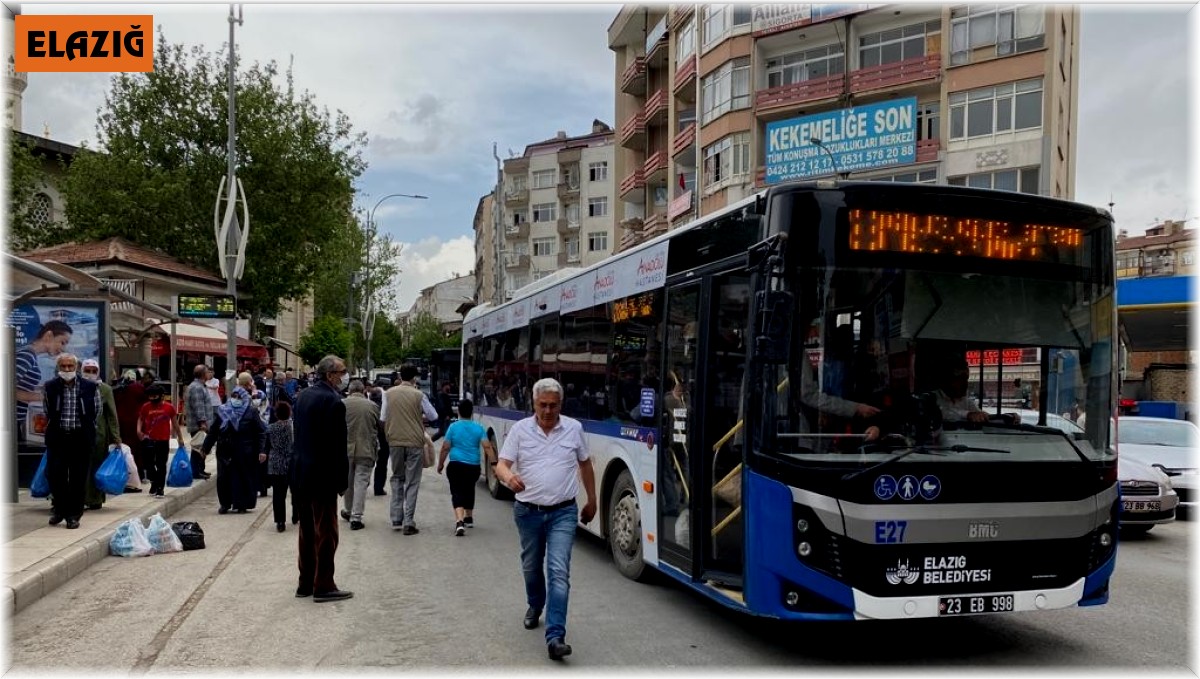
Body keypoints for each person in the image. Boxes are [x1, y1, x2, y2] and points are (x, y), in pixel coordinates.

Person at [494, 377, 598, 662]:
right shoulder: (520, 430)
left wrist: (592, 499)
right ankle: (534, 604)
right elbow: (501, 465)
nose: (548, 411)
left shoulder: (574, 429)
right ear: (534, 403)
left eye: (554, 405)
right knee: (531, 566)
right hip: (528, 512)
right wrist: (509, 477)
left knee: (559, 572)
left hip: (563, 512)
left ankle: (555, 636)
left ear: (561, 404)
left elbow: (585, 463)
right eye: (543, 405)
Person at [291, 355, 352, 602]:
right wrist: (341, 479)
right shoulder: (333, 401)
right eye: (342, 371)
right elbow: (337, 447)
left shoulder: (303, 396)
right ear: (330, 375)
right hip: (322, 474)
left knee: (306, 530)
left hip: (301, 472)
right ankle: (324, 584)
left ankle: (305, 582)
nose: (344, 376)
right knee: (326, 531)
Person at [43, 353, 100, 529]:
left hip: (81, 438)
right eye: (63, 366)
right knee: (56, 476)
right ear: (58, 368)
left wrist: (86, 430)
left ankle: (74, 515)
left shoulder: (90, 387)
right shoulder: (50, 386)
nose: (67, 370)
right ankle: (59, 510)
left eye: (70, 366)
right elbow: (47, 411)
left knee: (78, 478)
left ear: (76, 368)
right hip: (59, 437)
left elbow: (96, 411)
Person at [380, 365, 438, 534]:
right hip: (414, 442)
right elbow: (433, 416)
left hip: (395, 441)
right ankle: (409, 521)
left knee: (397, 478)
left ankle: (396, 518)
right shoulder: (419, 395)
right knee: (412, 481)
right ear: (414, 378)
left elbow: (383, 417)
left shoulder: (388, 394)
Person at [436, 399, 495, 536]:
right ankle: (469, 517)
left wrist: (440, 464)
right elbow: (487, 446)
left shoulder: (453, 427)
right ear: (472, 412)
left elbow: (445, 447)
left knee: (457, 491)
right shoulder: (478, 428)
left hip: (456, 465)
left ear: (459, 412)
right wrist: (494, 464)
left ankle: (459, 522)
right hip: (473, 467)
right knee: (469, 489)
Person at [16, 320, 73, 443]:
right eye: (62, 342)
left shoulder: (29, 355)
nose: (63, 349)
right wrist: (45, 397)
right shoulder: (27, 356)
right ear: (48, 336)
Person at [214, 386, 265, 514]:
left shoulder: (251, 411)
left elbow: (260, 432)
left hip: (245, 450)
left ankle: (242, 504)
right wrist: (204, 448)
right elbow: (214, 431)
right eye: (234, 396)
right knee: (223, 479)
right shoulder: (223, 411)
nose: (236, 399)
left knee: (242, 478)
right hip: (225, 451)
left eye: (239, 397)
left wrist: (261, 450)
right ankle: (225, 504)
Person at [81, 359, 121, 510]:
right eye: (87, 370)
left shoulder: (105, 389)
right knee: (80, 468)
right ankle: (79, 497)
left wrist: (116, 437)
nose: (90, 374)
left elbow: (111, 415)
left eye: (93, 371)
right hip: (79, 434)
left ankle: (95, 499)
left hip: (99, 435)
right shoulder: (76, 386)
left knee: (97, 467)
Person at [341, 379, 380, 531]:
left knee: (348, 482)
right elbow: (379, 425)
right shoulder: (372, 406)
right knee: (361, 483)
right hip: (366, 449)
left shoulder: (341, 404)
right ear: (364, 390)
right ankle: (356, 517)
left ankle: (349, 510)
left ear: (349, 391)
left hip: (345, 449)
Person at [136, 383, 184, 499]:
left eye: (155, 396)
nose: (153, 398)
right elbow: (140, 419)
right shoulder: (146, 407)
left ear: (161, 396)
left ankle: (160, 488)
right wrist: (138, 431)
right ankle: (154, 481)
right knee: (149, 464)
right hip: (149, 439)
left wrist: (180, 438)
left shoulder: (169, 407)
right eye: (150, 396)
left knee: (161, 464)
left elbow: (175, 423)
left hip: (163, 440)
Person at [114, 368, 152, 483]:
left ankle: (122, 472)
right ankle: (137, 475)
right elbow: (146, 403)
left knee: (122, 448)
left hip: (120, 423)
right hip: (135, 423)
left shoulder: (117, 389)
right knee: (137, 450)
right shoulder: (138, 388)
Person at [264, 401, 296, 532]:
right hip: (291, 462)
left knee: (278, 494)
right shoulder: (293, 427)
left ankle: (280, 521)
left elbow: (266, 446)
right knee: (295, 491)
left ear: (276, 414)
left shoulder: (270, 428)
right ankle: (296, 514)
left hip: (276, 463)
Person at [184, 364, 213, 481]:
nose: (209, 374)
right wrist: (202, 422)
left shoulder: (201, 386)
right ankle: (196, 471)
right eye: (207, 372)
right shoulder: (197, 387)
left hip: (201, 423)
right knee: (197, 449)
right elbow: (198, 406)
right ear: (202, 374)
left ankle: (200, 469)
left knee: (202, 447)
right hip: (198, 424)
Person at [368, 382, 389, 496]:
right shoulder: (385, 406)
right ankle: (378, 487)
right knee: (381, 463)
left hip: (370, 437)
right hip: (383, 437)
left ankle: (365, 482)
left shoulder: (368, 405)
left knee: (368, 462)